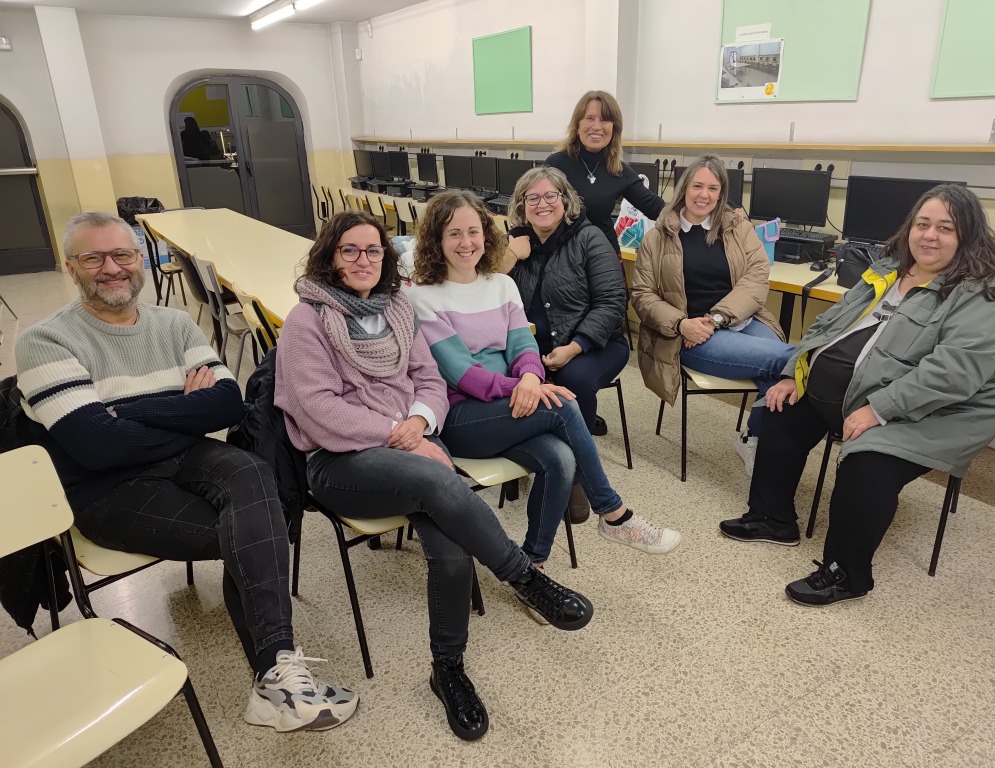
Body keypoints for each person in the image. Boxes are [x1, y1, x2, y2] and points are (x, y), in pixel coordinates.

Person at [14, 211, 357, 733]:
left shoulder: (172, 324)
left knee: (253, 476)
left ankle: (274, 677)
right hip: (106, 488)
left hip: (187, 459)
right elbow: (97, 447)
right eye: (94, 258)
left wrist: (123, 412)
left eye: (122, 254)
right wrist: (181, 410)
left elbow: (226, 404)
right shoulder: (45, 340)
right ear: (71, 267)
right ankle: (278, 679)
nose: (112, 268)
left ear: (141, 259)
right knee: (255, 528)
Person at [273, 209, 594, 742]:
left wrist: (421, 422)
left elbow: (429, 378)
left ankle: (447, 670)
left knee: (450, 550)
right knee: (440, 483)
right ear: (331, 256)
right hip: (341, 461)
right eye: (350, 250)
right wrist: (399, 430)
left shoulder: (397, 306)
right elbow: (319, 410)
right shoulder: (307, 321)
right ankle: (523, 576)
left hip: (417, 439)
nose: (363, 260)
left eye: (373, 250)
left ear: (386, 257)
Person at [719, 184, 995, 606]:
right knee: (780, 409)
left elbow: (951, 375)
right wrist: (796, 372)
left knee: (867, 464)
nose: (929, 235)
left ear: (968, 236)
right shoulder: (889, 270)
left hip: (929, 413)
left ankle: (846, 574)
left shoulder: (978, 293)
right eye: (922, 224)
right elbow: (829, 324)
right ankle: (774, 519)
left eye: (946, 228)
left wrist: (878, 409)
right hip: (853, 396)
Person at [405, 190, 681, 571]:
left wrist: (532, 377)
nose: (466, 242)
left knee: (560, 458)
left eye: (473, 232)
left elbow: (523, 345)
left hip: (511, 407)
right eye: (454, 233)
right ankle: (614, 513)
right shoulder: (423, 297)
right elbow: (462, 374)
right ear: (436, 240)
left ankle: (532, 566)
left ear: (486, 235)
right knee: (564, 403)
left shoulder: (501, 285)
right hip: (462, 417)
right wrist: (524, 386)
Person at [630, 154, 794, 476]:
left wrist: (718, 318)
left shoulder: (738, 228)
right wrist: (681, 324)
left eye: (713, 188)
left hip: (740, 321)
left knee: (783, 364)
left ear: (721, 194)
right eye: (698, 186)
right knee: (789, 359)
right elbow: (642, 295)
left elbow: (757, 277)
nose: (704, 195)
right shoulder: (657, 236)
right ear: (684, 188)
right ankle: (766, 442)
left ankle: (755, 436)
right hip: (691, 336)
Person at [501, 166, 630, 458]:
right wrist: (511, 254)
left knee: (575, 379)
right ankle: (531, 453)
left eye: (550, 195)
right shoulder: (515, 242)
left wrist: (574, 347)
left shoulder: (590, 238)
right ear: (522, 205)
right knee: (495, 373)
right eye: (532, 198)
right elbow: (484, 286)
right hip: (531, 347)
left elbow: (612, 302)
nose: (542, 204)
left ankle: (578, 465)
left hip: (594, 345)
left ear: (565, 199)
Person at [540, 90, 665, 255]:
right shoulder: (556, 164)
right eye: (590, 118)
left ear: (614, 128)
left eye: (605, 120)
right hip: (562, 257)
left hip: (604, 256)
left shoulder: (618, 170)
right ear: (577, 126)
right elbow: (530, 205)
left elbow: (657, 209)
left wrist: (694, 206)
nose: (597, 126)